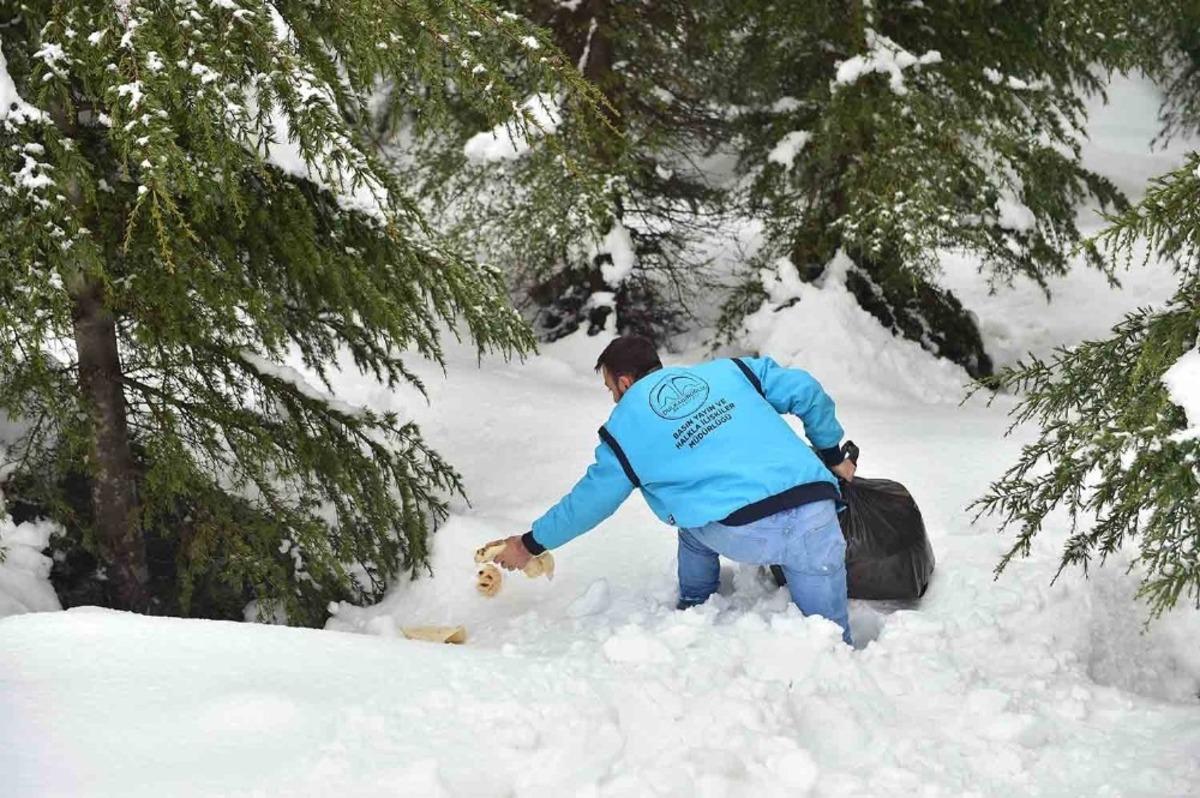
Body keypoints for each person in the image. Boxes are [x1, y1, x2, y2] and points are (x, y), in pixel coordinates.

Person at [489, 335, 856, 644]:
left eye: (609, 388)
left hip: (744, 533)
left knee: (694, 527)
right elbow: (804, 389)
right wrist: (831, 453)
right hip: (816, 516)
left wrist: (528, 544)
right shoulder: (731, 371)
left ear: (625, 383)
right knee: (830, 641)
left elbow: (590, 502)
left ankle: (695, 609)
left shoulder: (625, 427)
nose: (614, 399)